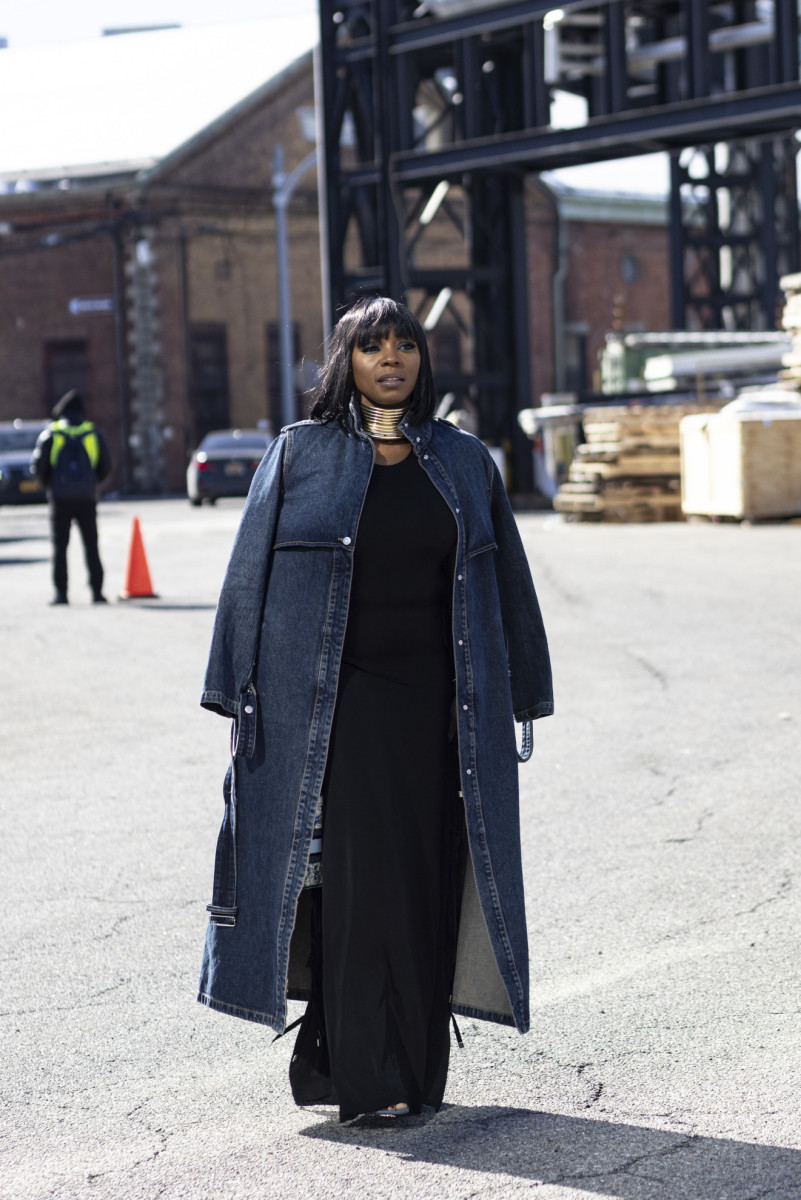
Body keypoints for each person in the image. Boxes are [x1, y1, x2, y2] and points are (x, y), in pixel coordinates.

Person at [197, 296, 553, 1122]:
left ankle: (414, 1074)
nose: (390, 359)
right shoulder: (299, 455)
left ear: (422, 360)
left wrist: (526, 691)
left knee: (430, 884)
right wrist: (234, 694)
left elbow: (508, 587)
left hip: (442, 715)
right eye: (370, 346)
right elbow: (244, 579)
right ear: (343, 361)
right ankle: (363, 1077)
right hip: (340, 709)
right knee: (360, 891)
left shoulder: (464, 462)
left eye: (404, 345)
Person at [33, 389, 112, 605]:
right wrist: (93, 484)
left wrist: (50, 485)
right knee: (91, 545)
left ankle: (61, 593)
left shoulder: (53, 432)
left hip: (60, 498)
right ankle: (97, 592)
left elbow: (39, 466)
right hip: (87, 497)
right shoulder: (92, 432)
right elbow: (106, 465)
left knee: (60, 547)